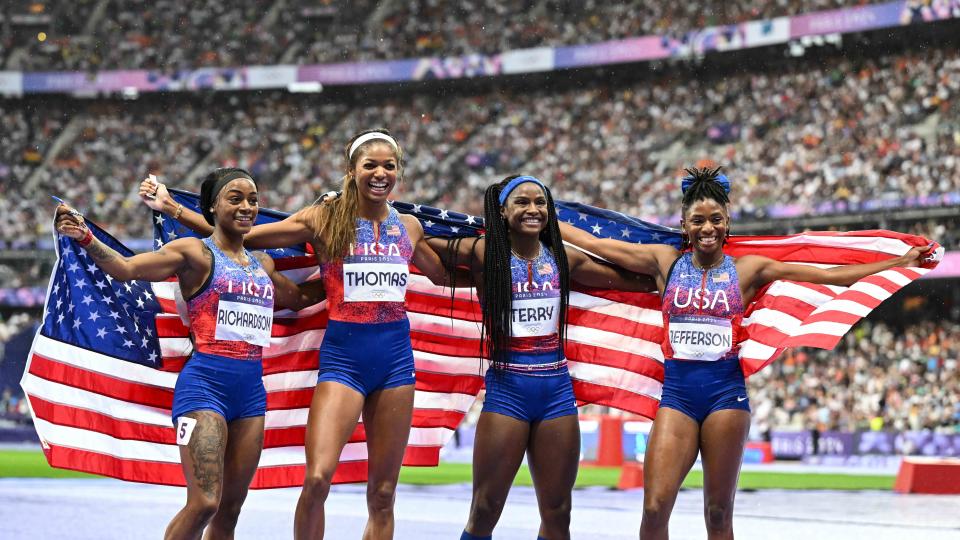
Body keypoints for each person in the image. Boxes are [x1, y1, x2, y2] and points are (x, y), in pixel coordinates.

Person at [558, 166, 931, 540]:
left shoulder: (749, 268)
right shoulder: (664, 261)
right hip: (677, 398)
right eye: (698, 220)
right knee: (655, 509)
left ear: (727, 222)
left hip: (725, 397)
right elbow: (599, 246)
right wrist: (542, 222)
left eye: (715, 219)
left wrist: (899, 263)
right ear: (685, 225)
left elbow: (831, 275)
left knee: (718, 514)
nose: (707, 228)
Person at [140, 129, 453, 540]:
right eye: (370, 165)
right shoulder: (324, 217)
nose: (380, 173)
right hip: (344, 363)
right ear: (351, 170)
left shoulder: (409, 227)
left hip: (396, 364)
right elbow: (237, 238)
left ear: (399, 172)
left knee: (382, 494)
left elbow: (446, 275)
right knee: (318, 478)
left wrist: (507, 261)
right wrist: (174, 210)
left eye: (389, 165)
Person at [55, 168, 324, 540]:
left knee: (230, 509)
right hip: (204, 389)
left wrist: (346, 266)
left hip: (250, 396)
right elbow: (127, 268)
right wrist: (84, 235)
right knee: (205, 503)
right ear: (212, 206)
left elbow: (299, 299)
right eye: (236, 199)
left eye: (253, 200)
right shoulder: (193, 252)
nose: (247, 207)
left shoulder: (262, 265)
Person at [428, 175, 656, 540]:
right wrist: (399, 222)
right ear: (502, 212)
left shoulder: (563, 258)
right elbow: (424, 246)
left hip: (556, 393)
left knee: (558, 512)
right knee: (485, 508)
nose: (532, 209)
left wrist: (678, 265)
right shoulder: (485, 254)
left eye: (540, 202)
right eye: (522, 202)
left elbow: (634, 280)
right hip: (507, 391)